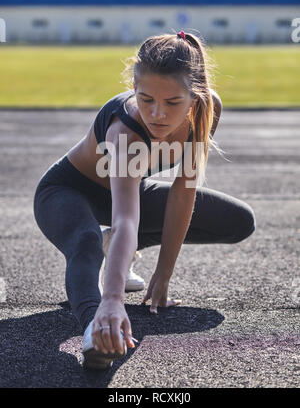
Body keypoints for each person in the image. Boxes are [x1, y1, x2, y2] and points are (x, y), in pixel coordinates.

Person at [33, 32, 256, 370]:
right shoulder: (125, 130)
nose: (158, 114)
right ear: (134, 88)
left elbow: (184, 191)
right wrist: (112, 298)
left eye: (172, 103)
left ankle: (115, 250)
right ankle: (96, 328)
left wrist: (163, 274)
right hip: (67, 192)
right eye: (146, 98)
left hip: (129, 192)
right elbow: (126, 220)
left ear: (194, 97)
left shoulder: (207, 108)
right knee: (86, 242)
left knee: (238, 219)